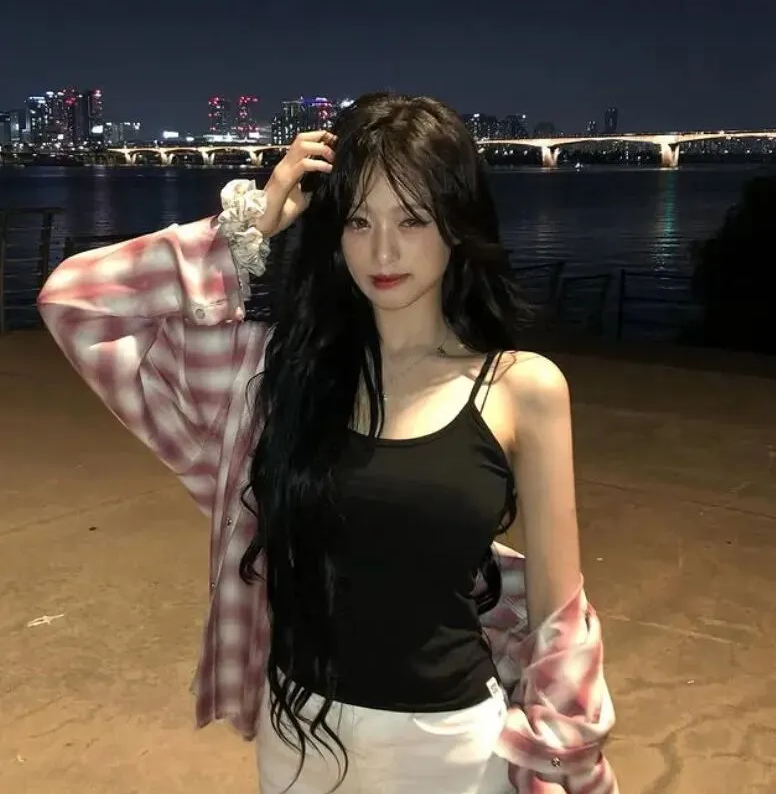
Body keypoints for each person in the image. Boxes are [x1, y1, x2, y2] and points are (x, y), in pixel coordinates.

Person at [38, 93, 618, 794]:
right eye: (358, 220)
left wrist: (560, 756)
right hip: (296, 738)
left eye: (412, 219)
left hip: (452, 746)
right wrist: (246, 227)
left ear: (458, 225)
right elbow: (74, 302)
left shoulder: (521, 387)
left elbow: (560, 620)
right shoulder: (276, 374)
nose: (383, 251)